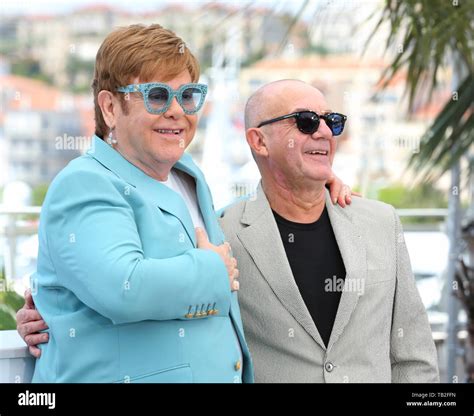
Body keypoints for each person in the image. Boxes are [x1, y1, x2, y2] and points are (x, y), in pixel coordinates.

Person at [15, 26, 352, 383]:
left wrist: (307, 189)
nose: (177, 111)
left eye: (188, 96)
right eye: (157, 96)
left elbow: (212, 230)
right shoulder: (84, 183)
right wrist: (211, 271)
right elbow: (122, 288)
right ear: (110, 107)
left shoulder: (185, 174)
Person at [218, 79, 440, 382]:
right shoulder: (223, 234)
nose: (324, 132)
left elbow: (414, 356)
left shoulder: (382, 223)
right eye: (306, 121)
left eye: (332, 121)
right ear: (259, 141)